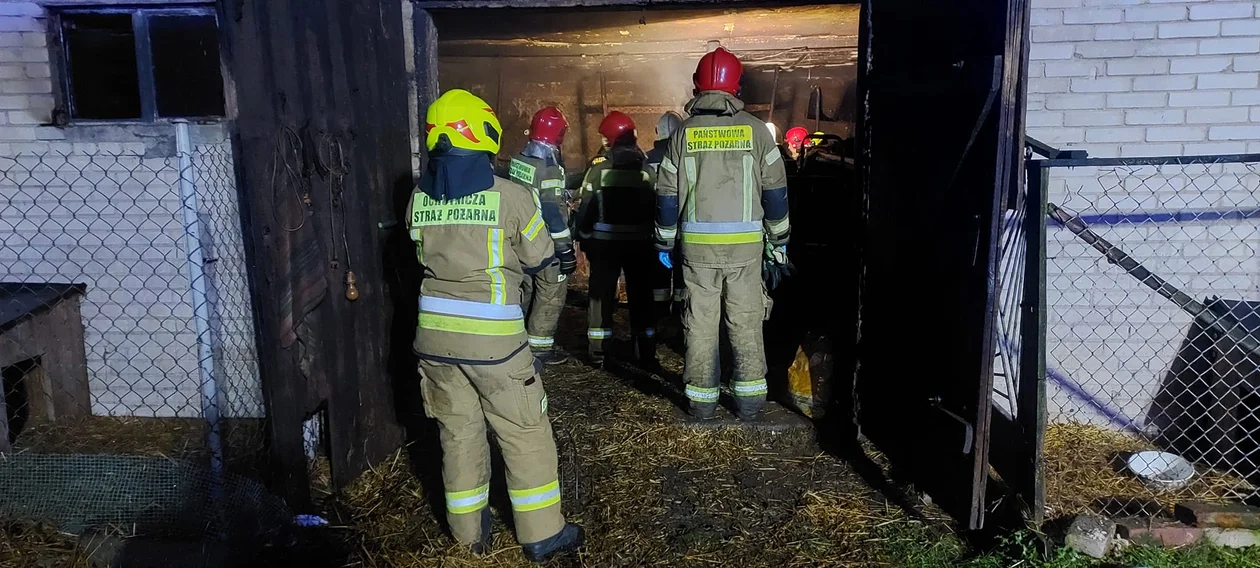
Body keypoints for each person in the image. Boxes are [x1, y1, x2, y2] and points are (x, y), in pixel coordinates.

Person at [407, 88, 583, 562]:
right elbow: (543, 261)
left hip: (434, 342)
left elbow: (421, 255)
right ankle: (543, 533)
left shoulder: (417, 199)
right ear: (483, 133)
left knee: (458, 435)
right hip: (496, 346)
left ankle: (467, 537)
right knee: (524, 431)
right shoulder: (511, 197)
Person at [653, 47, 791, 422]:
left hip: (697, 252)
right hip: (746, 251)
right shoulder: (756, 131)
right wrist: (779, 241)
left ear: (697, 85)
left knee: (700, 324)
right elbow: (775, 193)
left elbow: (667, 195)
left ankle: (701, 403)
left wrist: (664, 241)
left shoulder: (683, 134)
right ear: (737, 85)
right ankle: (749, 403)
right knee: (746, 321)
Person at [574, 110, 659, 368]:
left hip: (605, 246)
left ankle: (599, 353)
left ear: (610, 139)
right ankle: (645, 351)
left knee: (600, 298)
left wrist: (583, 237)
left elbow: (585, 207)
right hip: (640, 245)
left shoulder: (598, 170)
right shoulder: (647, 171)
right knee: (642, 297)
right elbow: (657, 206)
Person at [510, 107, 578, 365]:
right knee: (551, 292)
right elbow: (552, 211)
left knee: (525, 291)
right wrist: (565, 249)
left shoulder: (519, 159)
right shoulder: (549, 168)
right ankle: (539, 349)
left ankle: (516, 344)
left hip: (521, 241)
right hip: (546, 243)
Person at [644, 111, 686, 338]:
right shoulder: (685, 156)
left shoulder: (646, 159)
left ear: (657, 131)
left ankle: (658, 320)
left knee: (658, 277)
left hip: (655, 228)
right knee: (682, 276)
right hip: (683, 227)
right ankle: (679, 321)